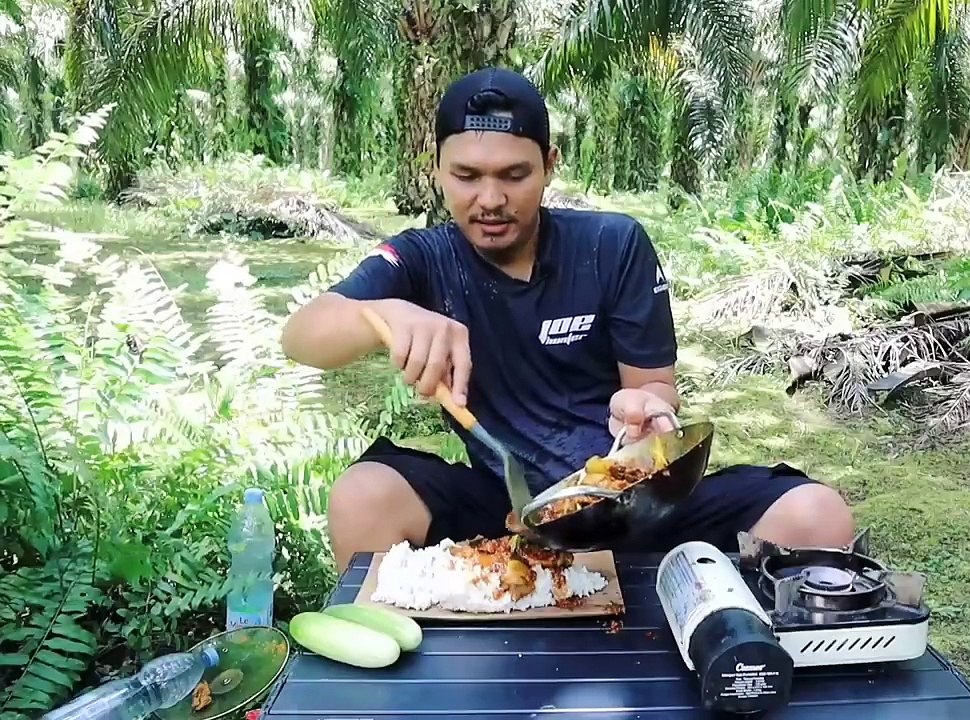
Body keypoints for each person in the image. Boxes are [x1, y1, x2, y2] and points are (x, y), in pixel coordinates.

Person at [281, 67, 856, 571]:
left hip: (627, 496)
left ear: (549, 166)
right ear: (434, 168)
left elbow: (652, 387)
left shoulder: (613, 245)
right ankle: (411, 674)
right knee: (363, 495)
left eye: (514, 175)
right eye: (466, 175)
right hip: (505, 506)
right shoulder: (421, 259)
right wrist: (384, 314)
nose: (490, 199)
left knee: (816, 515)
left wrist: (647, 412)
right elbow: (302, 336)